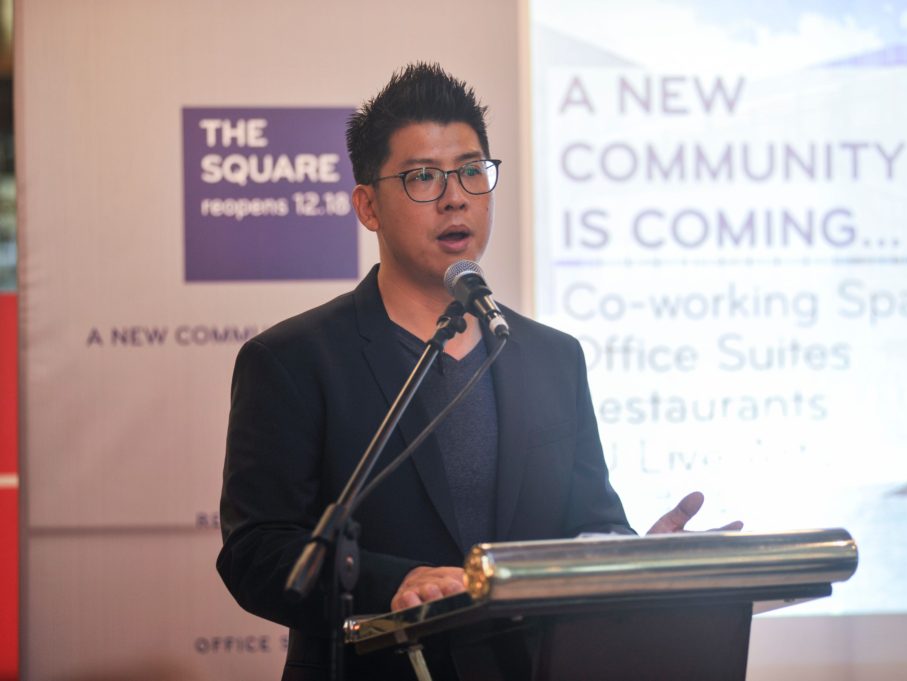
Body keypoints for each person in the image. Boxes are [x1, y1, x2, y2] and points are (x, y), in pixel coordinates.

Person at [217, 62, 740, 681]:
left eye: (471, 171)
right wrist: (394, 582)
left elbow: (588, 523)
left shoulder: (552, 358)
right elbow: (256, 553)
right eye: (422, 177)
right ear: (368, 206)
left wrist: (629, 562)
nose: (455, 196)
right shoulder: (295, 360)